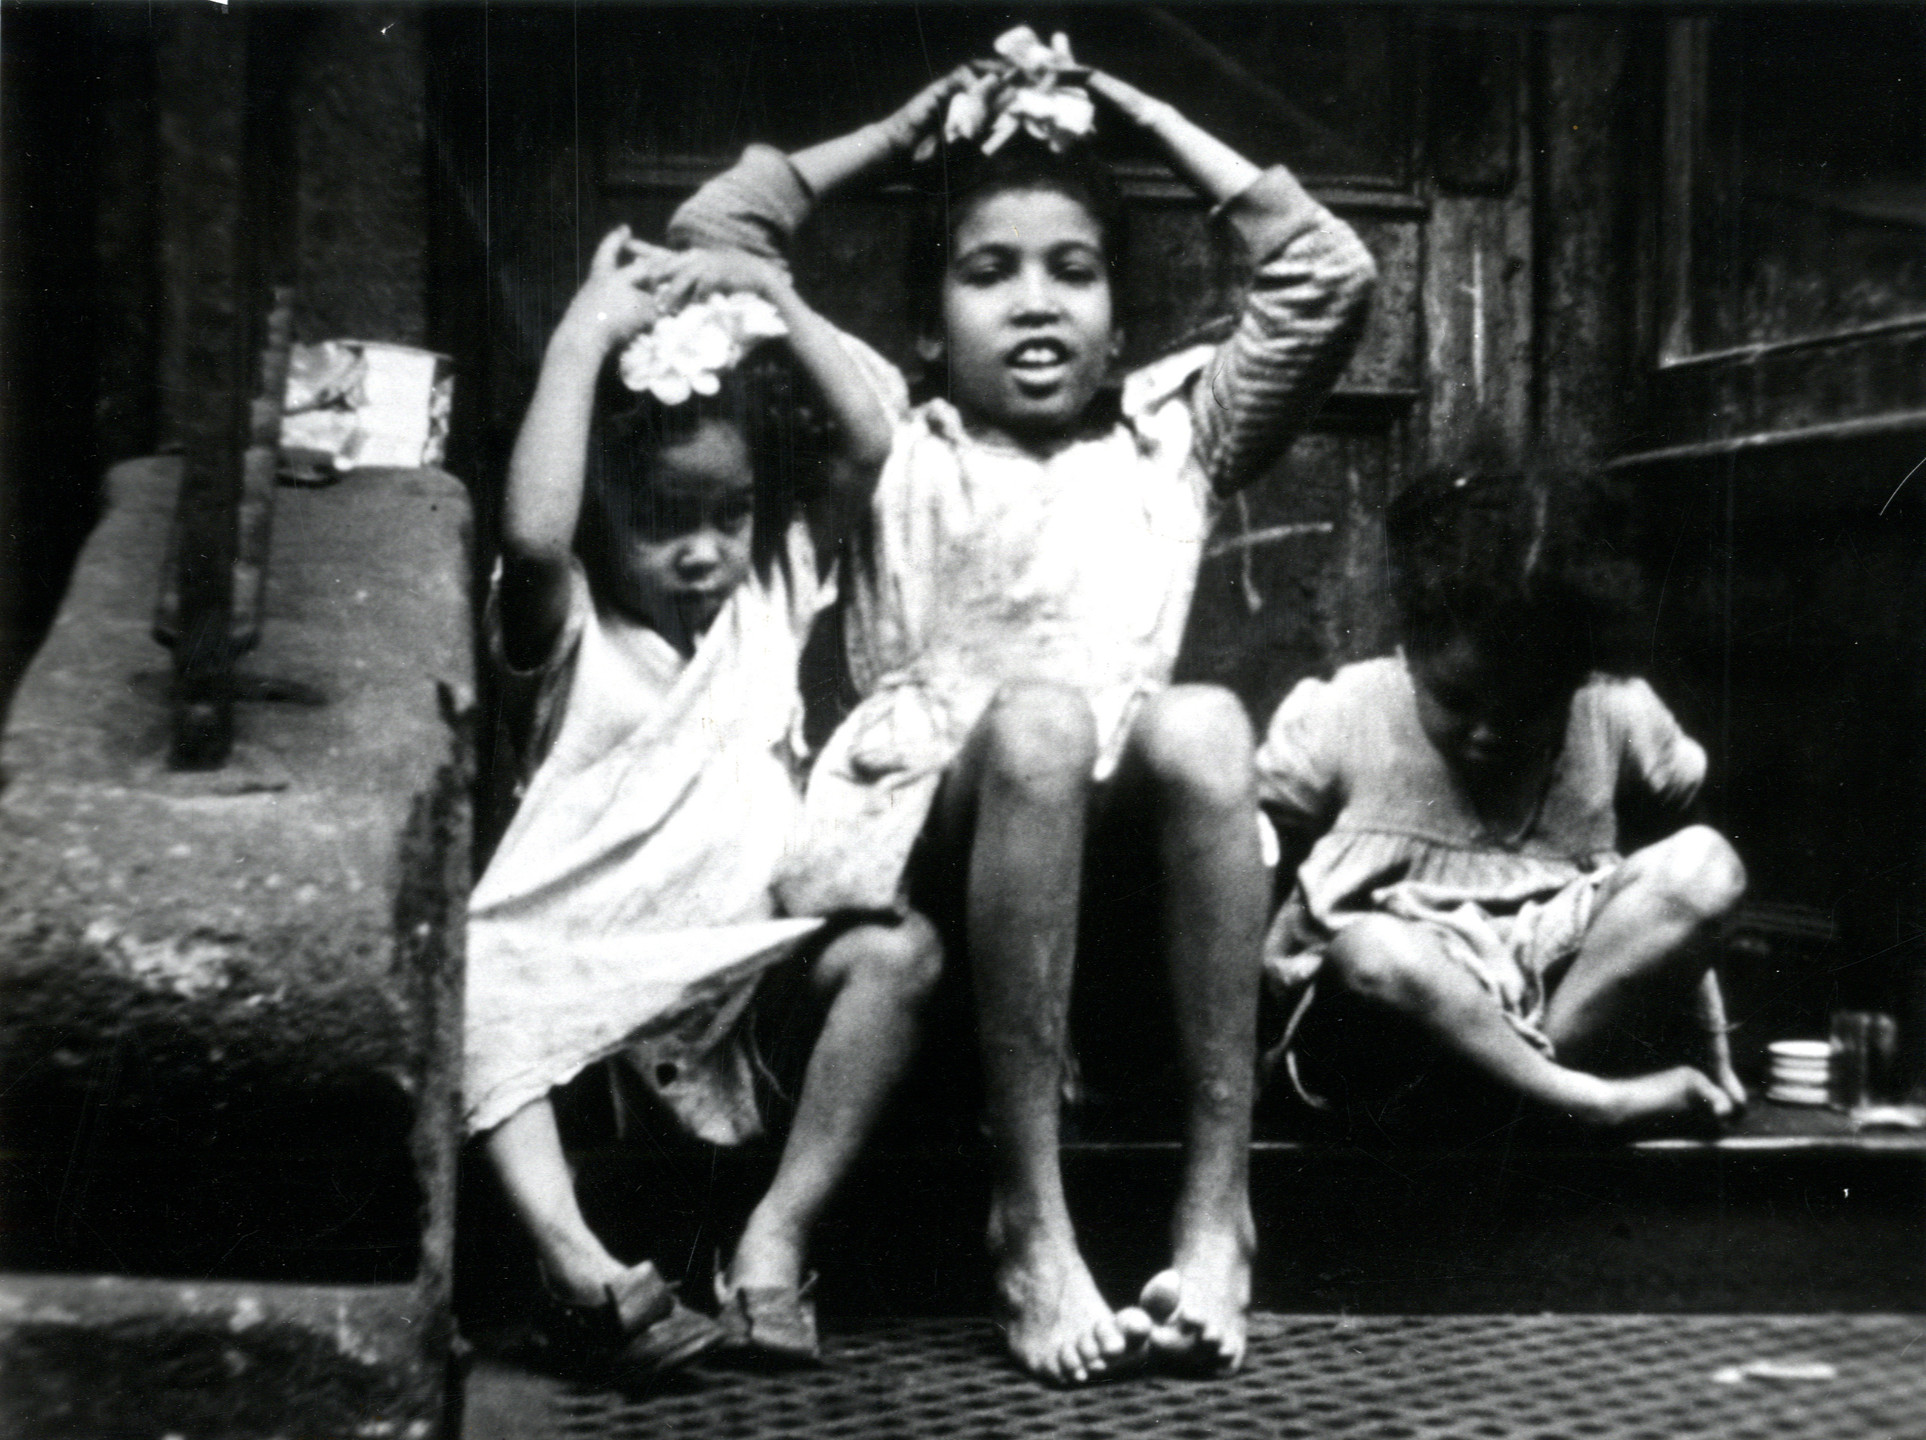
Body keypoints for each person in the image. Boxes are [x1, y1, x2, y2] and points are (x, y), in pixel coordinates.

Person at [666, 43, 1376, 1384]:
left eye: (1074, 270)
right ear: (932, 325)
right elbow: (717, 240)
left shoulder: (1177, 437)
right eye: (988, 272)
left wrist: (1136, 115)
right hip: (936, 838)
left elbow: (1327, 274)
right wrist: (902, 129)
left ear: (1119, 320)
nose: (1035, 302)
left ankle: (1216, 1211)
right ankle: (1030, 1222)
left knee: (1205, 724)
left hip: (1123, 879)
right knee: (1043, 723)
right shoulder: (886, 432)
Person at [464, 225, 938, 1382]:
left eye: (728, 515)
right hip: (588, 973)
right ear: (602, 513)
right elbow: (531, 533)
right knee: (469, 976)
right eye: (662, 519)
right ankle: (577, 1264)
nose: (703, 552)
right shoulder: (568, 627)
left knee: (901, 955)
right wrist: (585, 336)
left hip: (744, 974)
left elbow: (869, 441)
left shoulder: (769, 589)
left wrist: (768, 289)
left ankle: (777, 1232)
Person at [1255, 463, 1749, 1139]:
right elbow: (1252, 878)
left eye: (1525, 711)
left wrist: (1713, 1048)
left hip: (1559, 1005)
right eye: (1457, 701)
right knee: (1373, 953)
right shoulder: (1345, 711)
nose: (1486, 734)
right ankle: (1586, 1105)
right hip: (1399, 1026)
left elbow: (1683, 894)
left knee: (1708, 866)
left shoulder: (1615, 713)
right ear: (1415, 645)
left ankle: (1523, 1101)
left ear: (1578, 678)